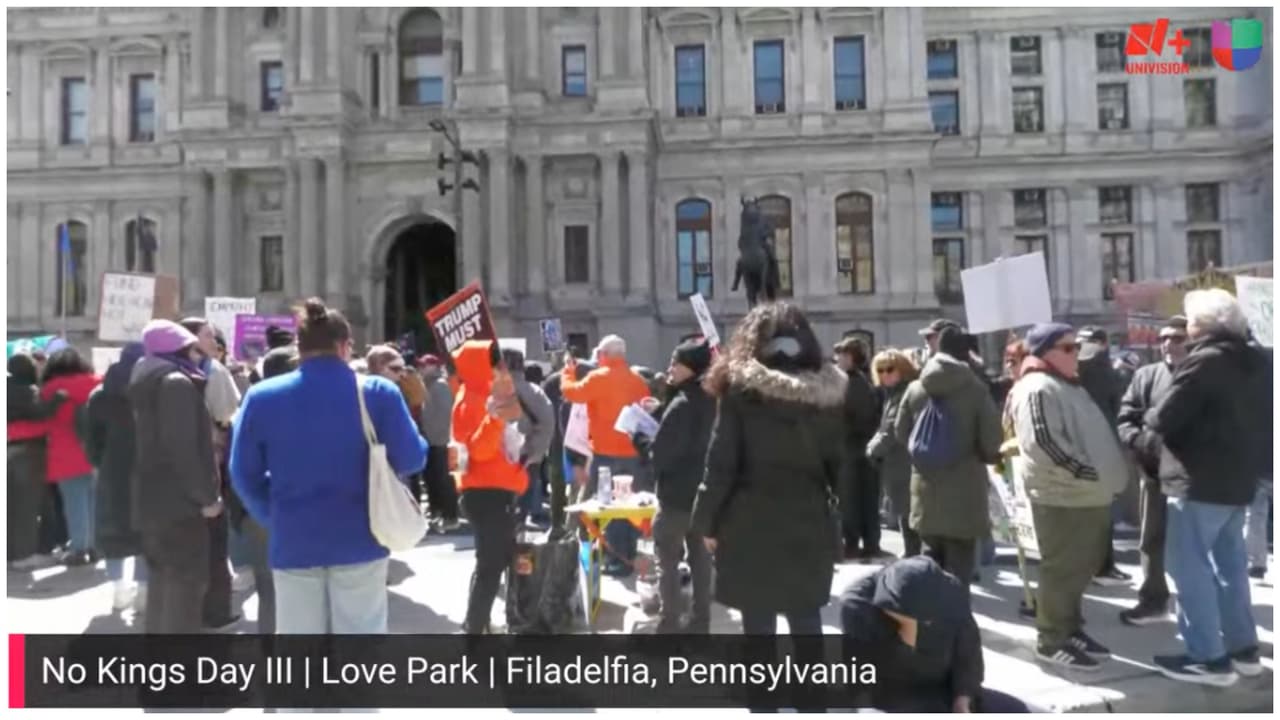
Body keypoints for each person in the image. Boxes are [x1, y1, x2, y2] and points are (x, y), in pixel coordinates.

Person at [230, 299, 427, 635]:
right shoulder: (379, 393)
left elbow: (243, 474)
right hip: (361, 537)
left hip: (293, 539)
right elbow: (412, 459)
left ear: (299, 347)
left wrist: (273, 515)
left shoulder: (262, 397)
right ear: (345, 346)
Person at [691, 303, 846, 636]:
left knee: (757, 621)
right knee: (806, 616)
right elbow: (840, 465)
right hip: (808, 519)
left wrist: (706, 521)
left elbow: (721, 464)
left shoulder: (740, 391)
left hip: (749, 523)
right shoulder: (828, 394)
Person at [1145, 289, 1269, 686]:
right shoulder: (1258, 359)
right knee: (1231, 568)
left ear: (1203, 324)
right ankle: (1243, 650)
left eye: (1190, 321)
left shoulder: (1204, 360)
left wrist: (1148, 417)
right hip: (1239, 480)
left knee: (1189, 569)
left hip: (1197, 481)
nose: (1187, 327)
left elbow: (1165, 416)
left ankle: (1208, 658)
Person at [1006, 322, 1128, 670]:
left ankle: (1069, 628)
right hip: (1062, 495)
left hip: (1086, 494)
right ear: (1045, 352)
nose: (1077, 354)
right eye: (1068, 348)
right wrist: (1088, 472)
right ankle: (1051, 639)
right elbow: (1043, 444)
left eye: (1077, 347)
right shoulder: (1037, 387)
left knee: (1079, 570)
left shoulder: (1064, 384)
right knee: (1062, 571)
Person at [893, 327, 1002, 595]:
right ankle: (956, 618)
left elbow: (900, 432)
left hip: (925, 489)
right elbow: (991, 442)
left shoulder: (916, 387)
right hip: (965, 492)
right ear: (966, 353)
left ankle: (931, 617)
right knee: (959, 569)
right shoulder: (975, 389)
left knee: (930, 562)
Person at [130, 320, 222, 634]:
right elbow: (182, 450)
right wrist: (206, 497)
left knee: (163, 586)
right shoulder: (176, 384)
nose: (199, 355)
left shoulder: (146, 379)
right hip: (180, 506)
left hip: (153, 502)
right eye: (193, 349)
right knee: (185, 588)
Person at [840, 556, 1011, 712]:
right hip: (890, 693)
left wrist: (963, 698)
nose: (914, 629)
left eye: (924, 622)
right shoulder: (856, 605)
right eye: (906, 620)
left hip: (940, 687)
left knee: (1012, 708)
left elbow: (968, 653)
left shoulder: (951, 592)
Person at [635, 338, 716, 633]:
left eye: (675, 363)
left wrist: (638, 437)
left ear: (690, 368)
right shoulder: (712, 398)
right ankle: (700, 623)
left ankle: (669, 625)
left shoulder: (683, 404)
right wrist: (661, 409)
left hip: (676, 499)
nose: (669, 369)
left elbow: (661, 455)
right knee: (701, 562)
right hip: (703, 496)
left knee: (667, 563)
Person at [1115, 317, 1189, 626]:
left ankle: (1197, 606)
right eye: (1164, 338)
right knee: (1151, 540)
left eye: (1177, 338)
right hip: (1154, 474)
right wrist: (1141, 441)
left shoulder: (1202, 374)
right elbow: (1126, 418)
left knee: (1192, 547)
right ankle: (1153, 600)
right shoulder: (1146, 375)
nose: (1168, 344)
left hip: (1193, 478)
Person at [450, 339, 527, 634]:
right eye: (495, 365)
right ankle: (474, 629)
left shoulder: (476, 395)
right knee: (491, 566)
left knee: (494, 561)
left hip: (489, 490)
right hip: (487, 492)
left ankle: (477, 624)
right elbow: (479, 450)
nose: (500, 370)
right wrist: (494, 419)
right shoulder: (471, 400)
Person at [560, 335, 651, 576]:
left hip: (605, 455)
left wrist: (568, 372)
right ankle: (629, 553)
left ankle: (618, 560)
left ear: (604, 355)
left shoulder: (598, 378)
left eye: (599, 353)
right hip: (633, 454)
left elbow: (571, 393)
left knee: (609, 507)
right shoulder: (638, 381)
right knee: (629, 507)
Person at [180, 317, 242, 630]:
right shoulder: (213, 370)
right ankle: (216, 612)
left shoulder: (159, 368)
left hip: (175, 471)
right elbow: (229, 414)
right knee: (215, 544)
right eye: (208, 335)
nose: (214, 341)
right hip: (211, 465)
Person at [78, 342, 147, 614]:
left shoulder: (99, 394)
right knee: (145, 529)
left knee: (111, 529)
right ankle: (143, 589)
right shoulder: (151, 388)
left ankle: (118, 589)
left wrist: (100, 463)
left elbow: (90, 438)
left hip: (111, 469)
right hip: (147, 468)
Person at [1076, 327, 1132, 587]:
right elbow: (1118, 402)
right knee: (1103, 509)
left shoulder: (1068, 367)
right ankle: (1103, 566)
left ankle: (1085, 564)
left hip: (1074, 445)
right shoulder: (1103, 365)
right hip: (1102, 444)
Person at [38, 347, 102, 567]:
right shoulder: (97, 383)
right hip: (97, 452)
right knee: (94, 502)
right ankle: (95, 546)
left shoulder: (50, 389)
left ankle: (79, 548)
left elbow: (43, 419)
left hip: (66, 453)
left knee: (74, 504)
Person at [7, 353, 67, 570]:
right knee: (28, 505)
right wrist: (58, 398)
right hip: (28, 452)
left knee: (10, 504)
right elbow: (40, 412)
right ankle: (24, 555)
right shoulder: (27, 390)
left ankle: (9, 553)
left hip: (8, 449)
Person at [834, 336, 886, 561]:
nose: (838, 359)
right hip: (862, 448)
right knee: (866, 499)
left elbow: (857, 418)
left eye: (842, 355)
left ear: (852, 358)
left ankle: (854, 543)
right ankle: (870, 542)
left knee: (851, 500)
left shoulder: (852, 383)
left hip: (853, 448)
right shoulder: (864, 380)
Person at [867, 349, 921, 558]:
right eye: (880, 370)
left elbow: (891, 430)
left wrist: (872, 449)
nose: (885, 374)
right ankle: (911, 551)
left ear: (901, 369)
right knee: (902, 508)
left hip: (903, 460)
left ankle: (912, 552)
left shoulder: (902, 393)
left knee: (906, 509)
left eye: (890, 369)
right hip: (898, 460)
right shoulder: (893, 394)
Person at [502, 349, 555, 528]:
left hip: (503, 457)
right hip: (529, 455)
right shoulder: (535, 391)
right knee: (523, 502)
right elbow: (547, 424)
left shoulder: (498, 390)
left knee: (504, 506)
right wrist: (536, 453)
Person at [418, 354, 459, 532]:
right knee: (433, 480)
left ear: (435, 366)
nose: (421, 369)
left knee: (444, 480)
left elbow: (445, 416)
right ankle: (438, 513)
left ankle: (450, 516)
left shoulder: (440, 386)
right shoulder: (427, 385)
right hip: (431, 441)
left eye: (425, 365)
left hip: (440, 442)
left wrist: (439, 438)